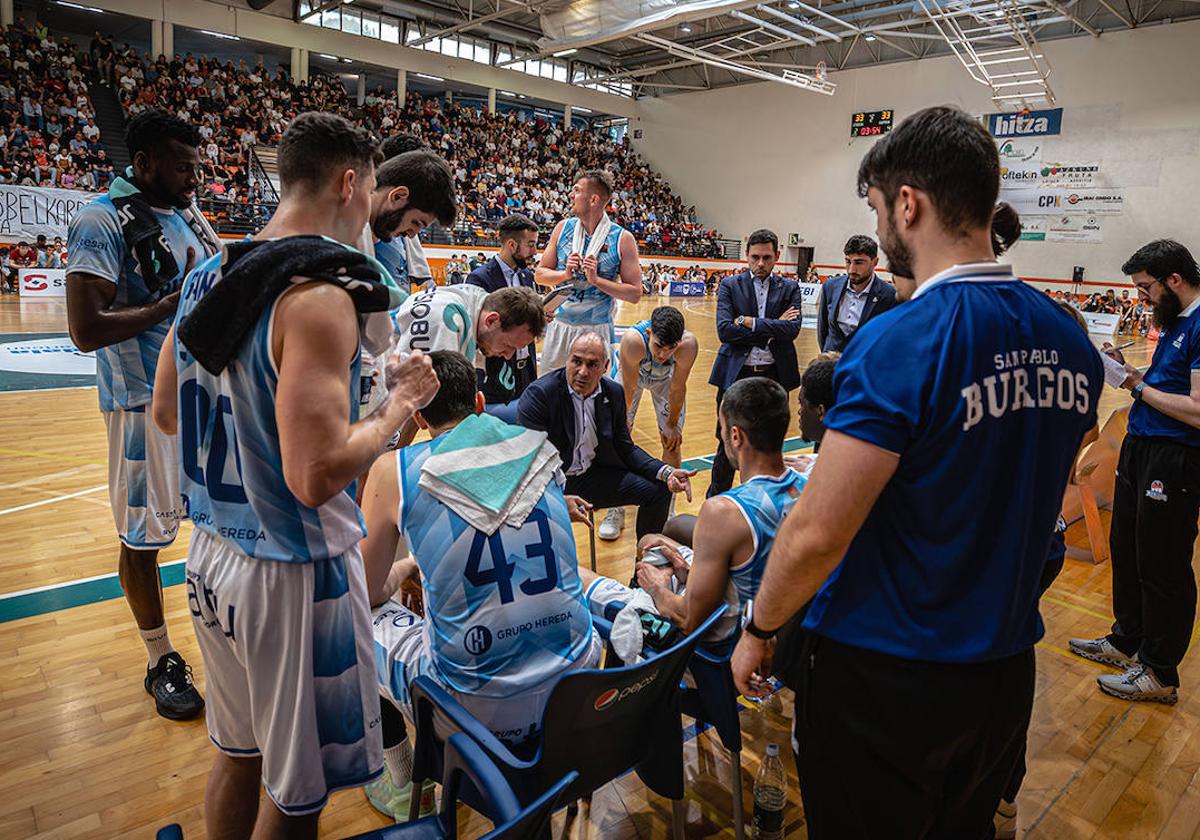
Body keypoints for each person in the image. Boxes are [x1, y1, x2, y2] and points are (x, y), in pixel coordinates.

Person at [729, 106, 1103, 839]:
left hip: (888, 677)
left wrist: (761, 627)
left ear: (909, 203)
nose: (882, 229)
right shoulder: (1068, 335)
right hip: (1003, 670)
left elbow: (816, 534)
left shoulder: (900, 341)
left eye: (877, 207)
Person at [151, 112, 441, 840]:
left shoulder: (211, 274)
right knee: (296, 799)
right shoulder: (317, 296)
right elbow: (314, 477)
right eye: (371, 189)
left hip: (211, 556)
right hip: (291, 570)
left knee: (236, 756)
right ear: (351, 183)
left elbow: (163, 413)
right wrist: (400, 405)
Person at [359, 351, 601, 800]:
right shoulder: (534, 447)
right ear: (479, 403)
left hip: (474, 713)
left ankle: (401, 784)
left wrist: (410, 565)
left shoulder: (393, 470)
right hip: (576, 691)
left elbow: (367, 589)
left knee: (352, 618)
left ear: (417, 414)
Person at [65, 110, 218, 722]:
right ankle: (160, 659)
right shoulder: (99, 220)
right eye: (183, 166)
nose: (194, 176)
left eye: (197, 165)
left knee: (213, 522)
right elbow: (84, 329)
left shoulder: (190, 212)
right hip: (140, 409)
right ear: (147, 161)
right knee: (144, 538)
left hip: (204, 400)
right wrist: (165, 307)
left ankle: (223, 636)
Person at [1069, 240, 1200, 704]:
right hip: (1141, 447)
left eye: (1146, 288)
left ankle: (1160, 671)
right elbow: (1166, 383)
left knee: (1163, 562)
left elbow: (1199, 410)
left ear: (1174, 281)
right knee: (1128, 547)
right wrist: (1128, 371)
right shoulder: (1173, 322)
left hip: (1176, 457)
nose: (1141, 298)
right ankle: (1127, 642)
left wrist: (1136, 385)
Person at [582, 376, 803, 648]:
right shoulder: (809, 488)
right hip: (774, 631)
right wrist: (689, 572)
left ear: (735, 436)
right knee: (652, 541)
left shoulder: (725, 511)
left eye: (721, 428)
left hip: (714, 645)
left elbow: (687, 618)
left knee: (581, 579)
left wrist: (655, 587)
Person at [518, 331, 696, 540]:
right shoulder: (540, 394)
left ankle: (647, 565)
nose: (582, 372)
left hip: (593, 477)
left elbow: (625, 448)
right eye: (576, 361)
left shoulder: (613, 393)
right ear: (567, 359)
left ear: (606, 366)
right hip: (551, 484)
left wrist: (665, 471)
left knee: (659, 490)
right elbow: (528, 462)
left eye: (592, 364)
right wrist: (556, 497)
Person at [707, 229, 804, 497]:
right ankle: (715, 501)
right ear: (747, 256)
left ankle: (763, 502)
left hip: (775, 374)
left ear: (777, 256)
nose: (760, 264)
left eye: (766, 257)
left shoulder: (790, 287)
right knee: (725, 442)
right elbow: (725, 330)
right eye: (755, 257)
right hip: (736, 374)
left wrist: (750, 322)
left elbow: (792, 329)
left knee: (770, 443)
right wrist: (773, 328)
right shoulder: (730, 285)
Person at [604, 305, 698, 540]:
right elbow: (629, 386)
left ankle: (667, 508)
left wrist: (672, 423)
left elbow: (678, 387)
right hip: (632, 377)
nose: (663, 355)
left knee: (672, 440)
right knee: (618, 439)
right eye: (658, 346)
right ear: (649, 336)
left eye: (670, 349)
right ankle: (616, 509)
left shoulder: (688, 346)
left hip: (665, 381)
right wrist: (623, 420)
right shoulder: (633, 341)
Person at [535, 170, 643, 371]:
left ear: (593, 199)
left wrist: (597, 281)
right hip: (560, 325)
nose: (570, 195)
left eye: (576, 190)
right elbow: (540, 275)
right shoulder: (562, 228)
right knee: (551, 392)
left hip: (597, 329)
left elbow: (635, 294)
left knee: (593, 395)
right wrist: (565, 274)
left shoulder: (622, 239)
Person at [466, 213, 541, 422]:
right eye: (531, 245)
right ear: (511, 244)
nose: (534, 252)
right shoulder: (480, 277)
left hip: (526, 364)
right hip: (496, 366)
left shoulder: (527, 276)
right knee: (493, 423)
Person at [364, 149, 457, 290]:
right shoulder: (342, 230)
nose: (412, 234)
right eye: (416, 222)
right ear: (398, 196)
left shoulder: (383, 235)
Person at [816, 234, 898, 353]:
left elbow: (890, 339)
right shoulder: (830, 287)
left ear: (875, 262)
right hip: (831, 364)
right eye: (848, 262)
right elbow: (822, 330)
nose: (851, 270)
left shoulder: (890, 294)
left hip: (866, 365)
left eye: (859, 263)